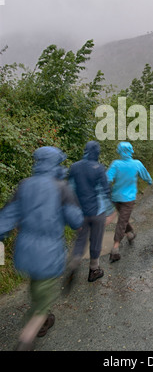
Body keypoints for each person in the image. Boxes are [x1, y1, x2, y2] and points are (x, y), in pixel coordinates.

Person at [0, 146, 83, 351]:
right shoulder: (61, 187)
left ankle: (44, 318)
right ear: (57, 162)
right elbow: (75, 220)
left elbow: (6, 219)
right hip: (49, 253)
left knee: (38, 285)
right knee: (43, 299)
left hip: (25, 252)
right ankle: (26, 339)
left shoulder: (24, 185)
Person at [65, 141, 112, 285]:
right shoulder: (99, 168)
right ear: (97, 152)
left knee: (81, 238)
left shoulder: (74, 167)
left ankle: (76, 258)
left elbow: (70, 190)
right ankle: (94, 269)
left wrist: (73, 211)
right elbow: (105, 190)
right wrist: (110, 212)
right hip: (98, 211)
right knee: (96, 239)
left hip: (81, 212)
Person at [106, 141, 153, 262]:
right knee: (122, 221)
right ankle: (115, 248)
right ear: (131, 151)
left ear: (119, 152)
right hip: (129, 199)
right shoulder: (137, 164)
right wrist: (149, 181)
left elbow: (107, 179)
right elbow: (145, 175)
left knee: (123, 219)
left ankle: (130, 234)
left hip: (115, 198)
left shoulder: (116, 164)